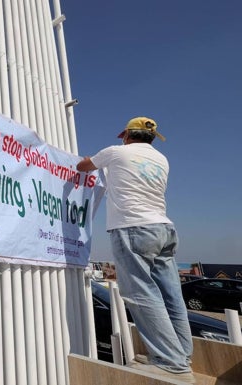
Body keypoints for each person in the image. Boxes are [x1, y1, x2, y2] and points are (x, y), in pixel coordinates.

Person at [77, 117, 195, 383]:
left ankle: (170, 362)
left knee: (140, 293)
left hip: (133, 228)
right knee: (170, 295)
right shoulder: (162, 160)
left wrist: (90, 160)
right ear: (152, 138)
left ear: (128, 135)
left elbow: (83, 166)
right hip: (164, 228)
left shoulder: (116, 152)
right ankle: (181, 355)